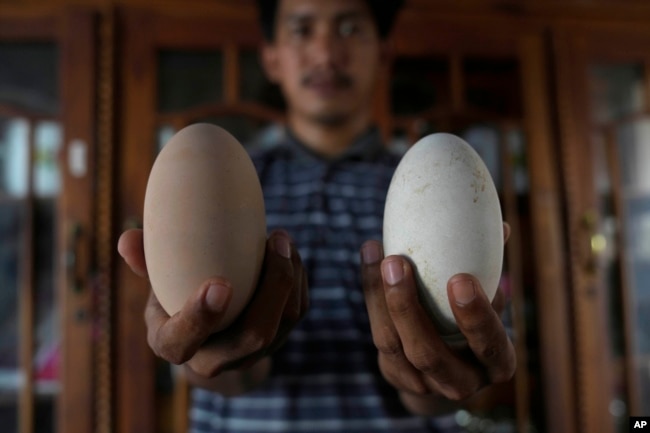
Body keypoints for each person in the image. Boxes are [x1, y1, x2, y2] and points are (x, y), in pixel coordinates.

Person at [117, 0, 516, 431]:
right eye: (303, 30)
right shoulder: (232, 183)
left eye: (349, 30)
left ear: (383, 53)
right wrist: (208, 347)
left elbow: (453, 382)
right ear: (271, 57)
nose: (326, 54)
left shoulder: (433, 187)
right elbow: (227, 374)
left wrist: (443, 372)